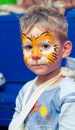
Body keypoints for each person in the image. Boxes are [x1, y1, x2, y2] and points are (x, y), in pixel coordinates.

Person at [8, 2, 75, 130]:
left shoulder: (69, 93)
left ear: (65, 49)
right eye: (28, 47)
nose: (35, 55)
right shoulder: (26, 90)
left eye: (45, 46)